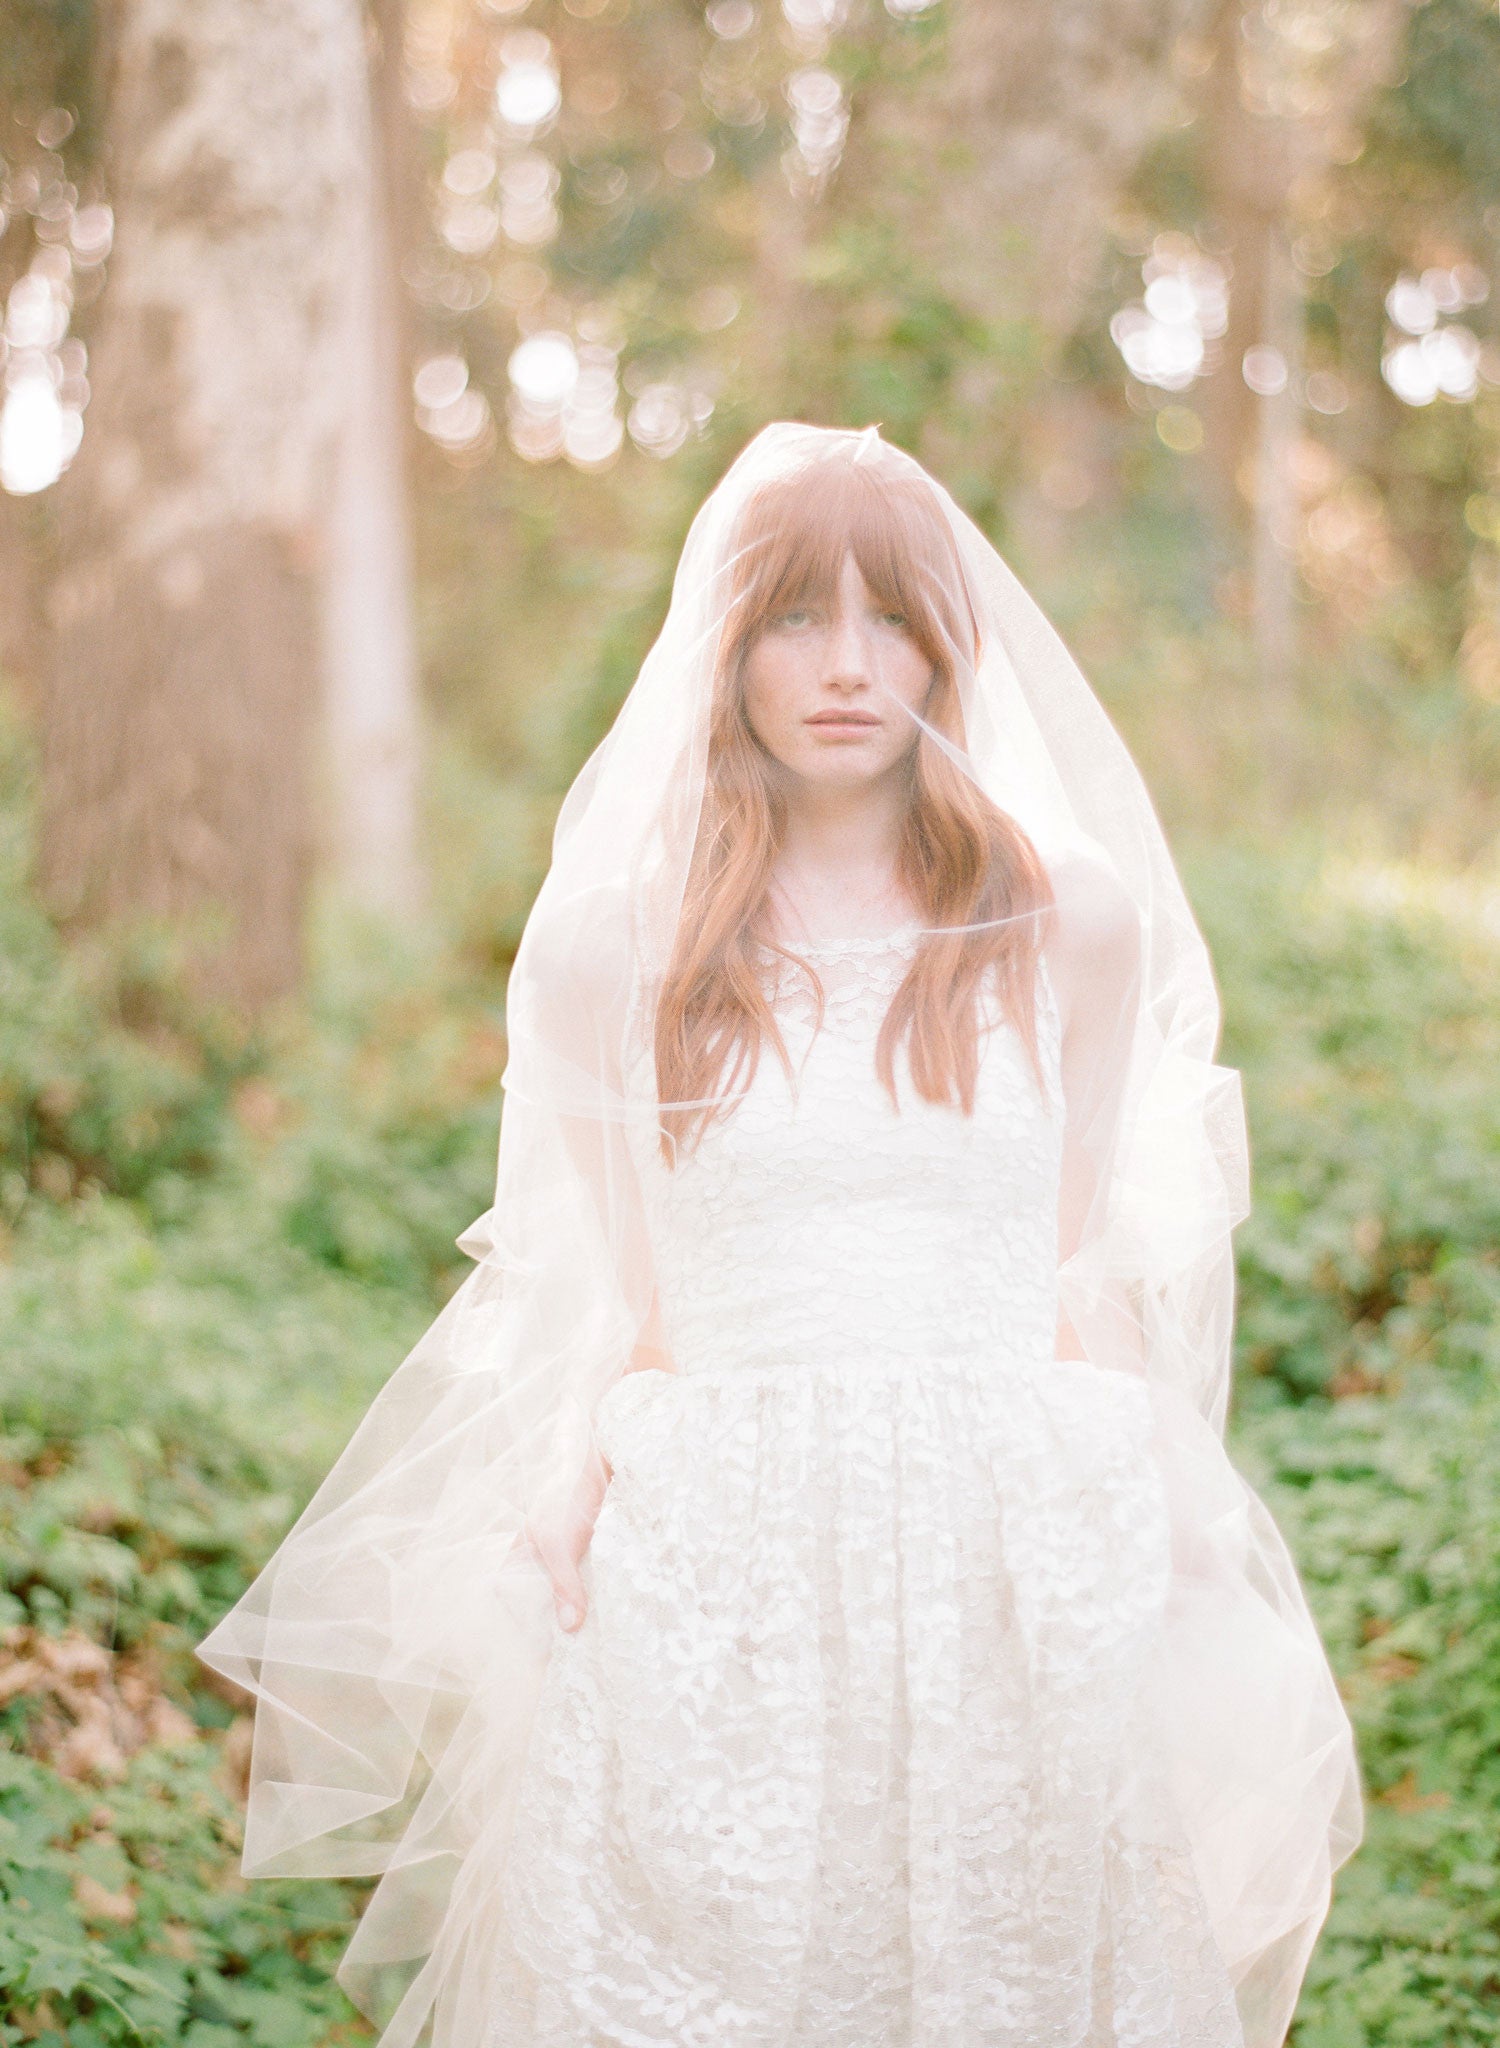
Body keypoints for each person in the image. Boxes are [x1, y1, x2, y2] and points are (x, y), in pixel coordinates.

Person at [198, 424, 1361, 2048]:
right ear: (722, 649)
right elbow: (626, 1291)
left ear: (949, 650)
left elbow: (1071, 1262)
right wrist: (572, 1477)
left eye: (890, 617)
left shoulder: (1066, 918)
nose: (845, 667)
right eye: (794, 619)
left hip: (1007, 1543)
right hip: (726, 1551)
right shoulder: (621, 950)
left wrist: (1167, 1500)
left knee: (1004, 1966)